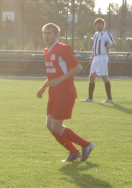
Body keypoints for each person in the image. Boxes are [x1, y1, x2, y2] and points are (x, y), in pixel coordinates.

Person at [37, 23, 95, 162]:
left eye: (49, 33)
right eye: (44, 33)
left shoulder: (63, 48)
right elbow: (53, 74)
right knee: (49, 125)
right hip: (53, 93)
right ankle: (73, 151)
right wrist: (43, 87)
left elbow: (77, 68)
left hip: (65, 92)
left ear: (56, 35)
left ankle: (86, 145)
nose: (46, 36)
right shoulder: (46, 50)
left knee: (56, 126)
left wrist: (59, 80)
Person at [81, 17, 115, 103]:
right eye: (97, 24)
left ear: (103, 25)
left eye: (101, 24)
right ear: (95, 25)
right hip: (95, 58)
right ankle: (90, 98)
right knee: (91, 77)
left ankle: (110, 98)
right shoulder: (96, 34)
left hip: (102, 57)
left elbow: (113, 43)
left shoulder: (106, 34)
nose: (99, 25)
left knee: (104, 77)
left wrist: (109, 46)